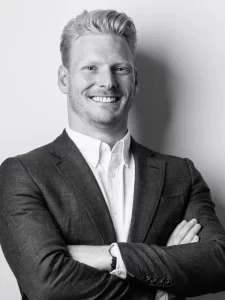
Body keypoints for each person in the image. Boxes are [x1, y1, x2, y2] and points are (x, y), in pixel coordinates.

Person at [0, 9, 225, 300]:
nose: (107, 82)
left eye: (120, 68)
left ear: (135, 81)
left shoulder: (182, 174)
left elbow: (219, 262)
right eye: (91, 68)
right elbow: (45, 285)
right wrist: (158, 286)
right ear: (64, 79)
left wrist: (114, 256)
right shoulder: (23, 173)